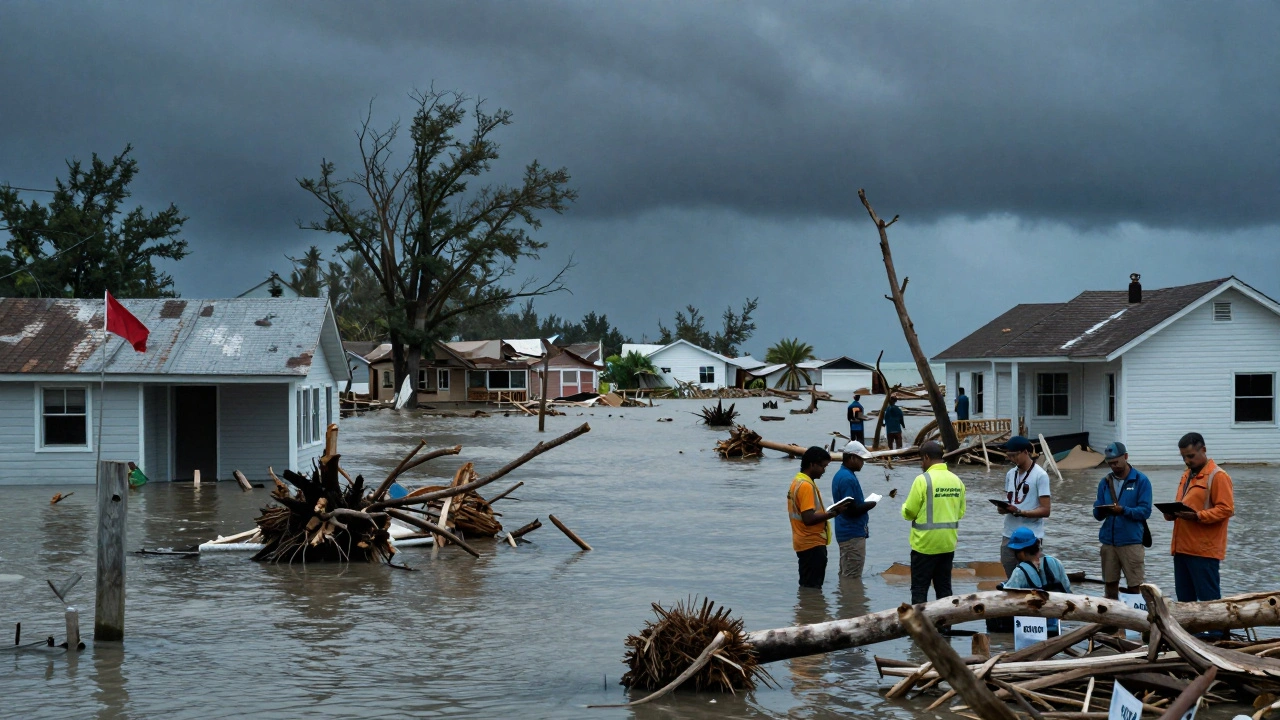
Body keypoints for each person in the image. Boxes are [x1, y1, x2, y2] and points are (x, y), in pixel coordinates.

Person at [1163, 432, 1234, 604]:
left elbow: (1226, 509)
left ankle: (1217, 624)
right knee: (1184, 603)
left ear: (1204, 450)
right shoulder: (1186, 475)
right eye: (1183, 457)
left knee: (1210, 603)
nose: (1187, 461)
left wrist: (1197, 516)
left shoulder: (1218, 476)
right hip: (1181, 549)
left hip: (1204, 552)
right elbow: (1182, 503)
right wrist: (1171, 513)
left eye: (1191, 456)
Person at [901, 440, 966, 604]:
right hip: (948, 544)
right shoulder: (957, 481)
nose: (921, 464)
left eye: (921, 460)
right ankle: (946, 620)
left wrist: (903, 509)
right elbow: (960, 513)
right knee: (944, 589)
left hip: (925, 545)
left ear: (927, 457)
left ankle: (919, 621)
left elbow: (910, 512)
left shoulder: (922, 480)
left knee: (919, 590)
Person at [1092, 442, 1152, 600]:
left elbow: (1145, 511)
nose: (1113, 466)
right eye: (1110, 463)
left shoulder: (1141, 481)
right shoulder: (1104, 482)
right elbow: (1097, 514)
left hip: (1131, 542)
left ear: (1125, 457)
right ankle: (1112, 614)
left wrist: (1123, 510)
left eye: (1116, 462)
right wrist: (1099, 509)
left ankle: (1135, 613)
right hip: (1108, 542)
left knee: (1135, 585)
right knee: (1110, 584)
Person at [995, 435, 1051, 578]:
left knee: (1032, 577)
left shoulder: (1040, 475)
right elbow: (1009, 499)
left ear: (1026, 452)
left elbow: (1046, 510)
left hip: (1031, 536)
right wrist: (1003, 509)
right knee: (1011, 577)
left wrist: (1021, 512)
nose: (1012, 459)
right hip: (1009, 534)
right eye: (1009, 456)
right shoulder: (1010, 474)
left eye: (1014, 455)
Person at [788, 446, 843, 589]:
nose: (824, 471)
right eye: (823, 466)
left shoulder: (797, 481)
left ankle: (807, 604)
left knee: (807, 586)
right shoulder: (806, 486)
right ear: (812, 464)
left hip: (802, 541)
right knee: (813, 587)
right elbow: (808, 518)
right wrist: (833, 513)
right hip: (811, 543)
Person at [1000, 527, 1073, 635]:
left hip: (1032, 625)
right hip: (1056, 618)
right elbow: (1067, 590)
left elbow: (1007, 600)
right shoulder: (1055, 562)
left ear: (1021, 553)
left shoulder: (1020, 572)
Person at [831, 441, 878, 578]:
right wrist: (871, 504)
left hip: (844, 531)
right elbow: (851, 510)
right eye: (861, 459)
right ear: (852, 458)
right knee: (852, 576)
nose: (863, 463)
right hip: (852, 534)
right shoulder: (847, 479)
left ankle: (843, 592)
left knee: (845, 573)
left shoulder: (841, 475)